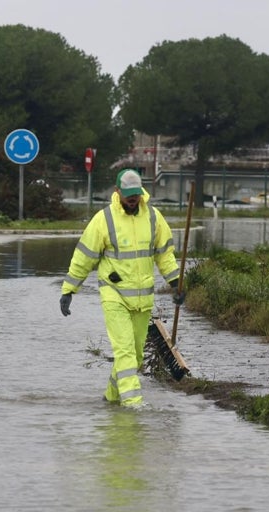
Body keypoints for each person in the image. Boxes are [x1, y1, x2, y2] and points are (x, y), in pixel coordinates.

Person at [60, 168, 184, 407]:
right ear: (117, 192)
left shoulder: (154, 218)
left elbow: (165, 255)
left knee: (135, 356)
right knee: (125, 352)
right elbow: (84, 257)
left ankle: (111, 397)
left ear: (141, 192)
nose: (132, 198)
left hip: (142, 299)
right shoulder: (104, 220)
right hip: (114, 296)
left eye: (136, 193)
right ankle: (133, 406)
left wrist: (176, 282)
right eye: (128, 193)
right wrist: (69, 289)